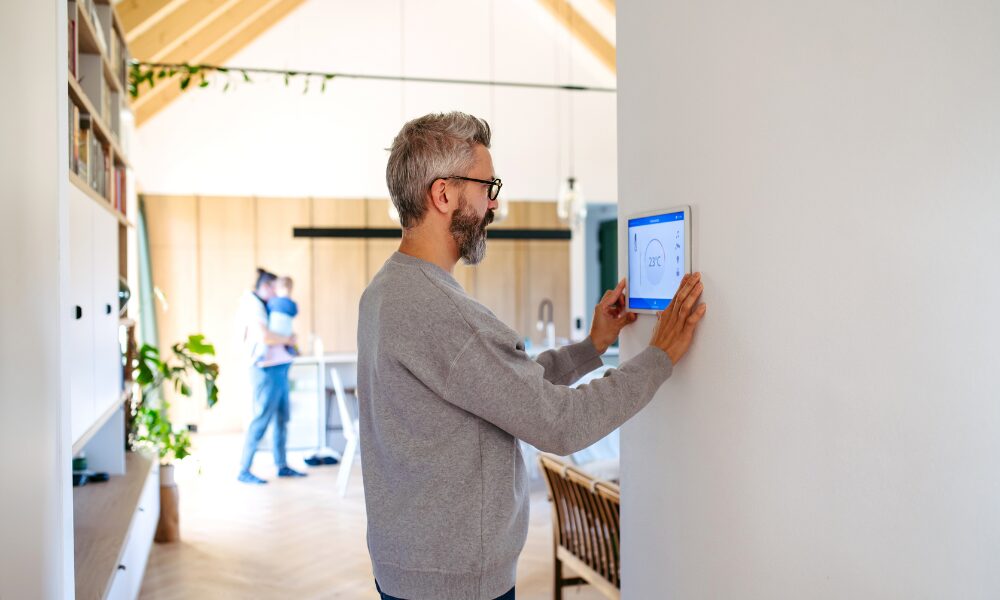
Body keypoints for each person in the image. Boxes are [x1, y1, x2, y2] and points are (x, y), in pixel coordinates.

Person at [357, 112, 707, 600]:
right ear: (443, 195)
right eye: (486, 185)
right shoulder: (441, 311)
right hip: (454, 583)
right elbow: (561, 425)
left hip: (414, 566)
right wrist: (660, 355)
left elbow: (501, 388)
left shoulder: (388, 289)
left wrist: (592, 347)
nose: (493, 202)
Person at [237, 268, 307, 484]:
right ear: (267, 287)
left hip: (279, 367)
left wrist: (289, 339)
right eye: (275, 288)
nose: (278, 293)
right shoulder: (253, 305)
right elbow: (265, 337)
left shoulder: (267, 305)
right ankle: (244, 469)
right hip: (266, 369)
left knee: (281, 419)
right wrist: (288, 340)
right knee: (261, 419)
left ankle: (282, 465)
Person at [261, 275, 299, 366]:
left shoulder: (272, 301)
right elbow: (294, 313)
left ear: (278, 289)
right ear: (290, 289)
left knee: (269, 345)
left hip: (274, 331)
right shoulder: (292, 304)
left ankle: (262, 356)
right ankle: (292, 351)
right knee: (288, 343)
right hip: (286, 332)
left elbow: (267, 312)